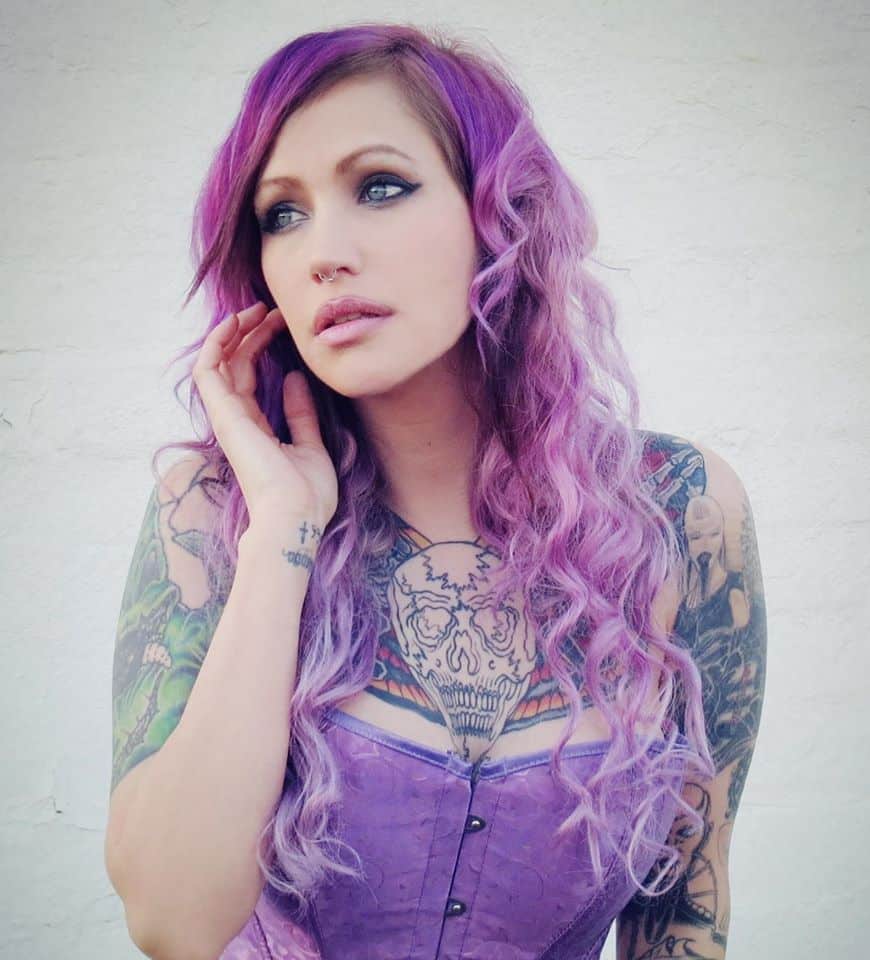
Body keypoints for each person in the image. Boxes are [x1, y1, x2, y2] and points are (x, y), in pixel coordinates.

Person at [103, 22, 767, 960]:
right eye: (281, 214)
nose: (323, 251)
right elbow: (173, 919)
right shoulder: (212, 512)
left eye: (380, 187)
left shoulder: (679, 514)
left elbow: (683, 918)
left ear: (500, 214)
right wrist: (284, 530)